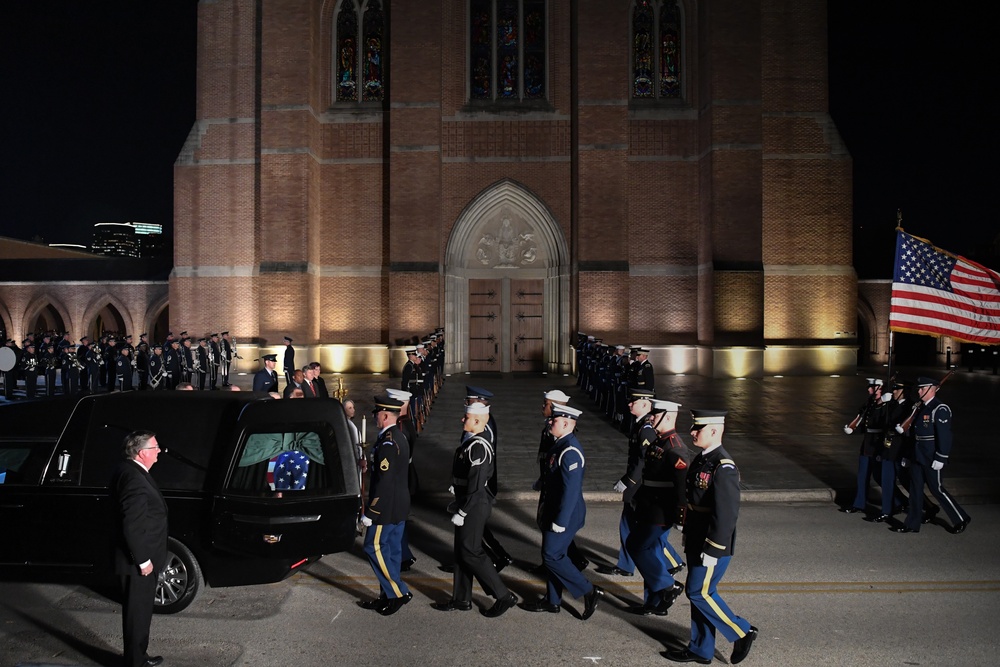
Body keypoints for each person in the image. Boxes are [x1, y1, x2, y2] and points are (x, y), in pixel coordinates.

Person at [665, 410, 757, 665]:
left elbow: (726, 514)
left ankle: (742, 631)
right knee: (700, 594)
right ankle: (702, 649)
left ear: (714, 431)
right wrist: (686, 529)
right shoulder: (703, 459)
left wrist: (713, 549)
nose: (692, 432)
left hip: (712, 543)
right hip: (698, 536)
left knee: (698, 592)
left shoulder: (723, 466)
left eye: (698, 429)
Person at [434, 402, 518, 617]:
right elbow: (467, 476)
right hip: (468, 501)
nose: (463, 420)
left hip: (474, 505)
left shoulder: (479, 446)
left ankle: (503, 595)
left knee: (471, 552)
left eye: (467, 417)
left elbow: (477, 484)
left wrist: (463, 511)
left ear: (478, 421)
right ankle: (461, 598)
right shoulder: (471, 443)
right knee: (462, 552)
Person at [523, 403, 604, 619]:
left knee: (551, 555)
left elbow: (571, 491)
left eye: (555, 420)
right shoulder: (559, 444)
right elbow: (553, 473)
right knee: (553, 554)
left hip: (565, 514)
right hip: (554, 509)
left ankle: (589, 590)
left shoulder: (570, 452)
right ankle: (553, 600)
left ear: (566, 423)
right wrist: (543, 482)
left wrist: (561, 521)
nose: (550, 421)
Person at [626, 398, 688, 616]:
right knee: (650, 551)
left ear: (668, 417)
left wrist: (681, 518)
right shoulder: (659, 442)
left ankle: (667, 586)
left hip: (660, 511)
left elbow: (682, 488)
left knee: (636, 545)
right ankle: (653, 602)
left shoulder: (675, 448)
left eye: (656, 414)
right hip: (648, 505)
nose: (651, 417)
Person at [111, 430, 168, 667]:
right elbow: (131, 525)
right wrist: (143, 560)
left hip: (141, 558)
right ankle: (135, 662)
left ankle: (139, 656)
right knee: (138, 613)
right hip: (139, 562)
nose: (159, 453)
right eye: (156, 448)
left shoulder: (131, 471)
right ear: (143, 453)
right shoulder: (133, 478)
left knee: (141, 612)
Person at [892, 376, 972, 534]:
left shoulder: (940, 409)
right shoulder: (920, 407)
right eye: (919, 388)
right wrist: (908, 455)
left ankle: (960, 517)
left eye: (923, 388)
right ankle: (912, 524)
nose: (919, 391)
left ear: (932, 389)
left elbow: (945, 436)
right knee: (915, 490)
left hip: (931, 456)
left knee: (937, 489)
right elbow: (914, 434)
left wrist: (941, 457)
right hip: (917, 454)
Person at [358, 395, 412, 616]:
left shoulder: (388, 442)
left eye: (377, 414)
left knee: (374, 547)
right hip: (398, 504)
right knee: (390, 551)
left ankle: (398, 592)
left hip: (386, 507)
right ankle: (388, 595)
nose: (374, 418)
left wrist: (372, 511)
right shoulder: (397, 436)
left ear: (385, 415)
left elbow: (385, 480)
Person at [598, 386, 656, 577]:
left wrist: (628, 480)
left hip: (640, 486)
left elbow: (642, 460)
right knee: (629, 524)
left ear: (646, 404)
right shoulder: (640, 424)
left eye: (634, 401)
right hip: (637, 485)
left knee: (642, 528)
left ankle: (670, 563)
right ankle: (626, 565)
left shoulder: (647, 429)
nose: (629, 403)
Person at [534, 389, 589, 572]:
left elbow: (561, 466)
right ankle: (554, 563)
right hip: (549, 484)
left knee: (553, 529)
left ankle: (567, 563)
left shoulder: (562, 435)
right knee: (547, 525)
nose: (543, 406)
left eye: (547, 404)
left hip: (556, 487)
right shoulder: (549, 428)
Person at [841, 378, 888, 515]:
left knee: (880, 477)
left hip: (878, 444)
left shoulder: (886, 405)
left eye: (872, 387)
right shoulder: (870, 403)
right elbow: (864, 422)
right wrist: (852, 429)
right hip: (867, 444)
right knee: (862, 476)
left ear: (879, 388)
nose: (868, 389)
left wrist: (884, 403)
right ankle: (859, 504)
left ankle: (897, 503)